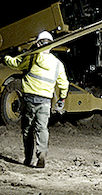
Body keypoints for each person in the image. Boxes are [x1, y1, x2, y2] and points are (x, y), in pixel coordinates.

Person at [4, 31, 69, 168]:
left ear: (38, 43)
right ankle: (42, 154)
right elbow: (64, 84)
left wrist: (6, 58)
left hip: (28, 99)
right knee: (42, 129)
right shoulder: (58, 64)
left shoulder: (32, 57)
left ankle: (28, 158)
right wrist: (62, 99)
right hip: (45, 101)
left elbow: (16, 64)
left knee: (27, 129)